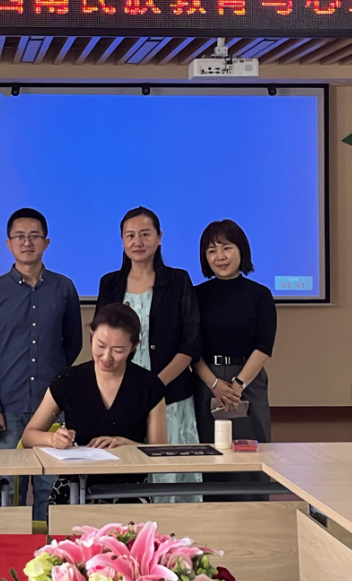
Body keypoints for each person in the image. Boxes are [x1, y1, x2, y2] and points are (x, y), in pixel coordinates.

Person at [0, 208, 82, 521]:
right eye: (19, 236)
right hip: (7, 408)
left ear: (46, 242)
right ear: (8, 243)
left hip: (53, 407)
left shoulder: (64, 288)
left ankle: (51, 550)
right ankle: (10, 548)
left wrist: (55, 381)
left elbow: (73, 344)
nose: (27, 242)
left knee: (52, 487)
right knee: (10, 489)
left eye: (34, 236)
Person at [96, 207, 202, 501]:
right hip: (122, 396)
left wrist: (154, 387)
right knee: (127, 476)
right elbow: (101, 340)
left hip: (171, 395)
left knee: (169, 474)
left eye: (145, 234)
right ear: (122, 240)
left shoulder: (178, 281)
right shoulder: (110, 283)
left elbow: (190, 344)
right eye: (130, 235)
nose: (137, 242)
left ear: (159, 237)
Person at [22, 303, 167, 499]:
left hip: (131, 490)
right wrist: (53, 439)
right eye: (100, 345)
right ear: (91, 335)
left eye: (118, 350)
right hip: (75, 490)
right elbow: (29, 436)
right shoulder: (68, 380)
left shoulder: (149, 385)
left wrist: (125, 443)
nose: (107, 357)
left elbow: (159, 451)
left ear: (135, 345)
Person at [193, 219, 277, 501]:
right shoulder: (196, 295)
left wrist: (238, 385)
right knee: (211, 452)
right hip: (207, 381)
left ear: (241, 250)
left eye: (227, 247)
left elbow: (264, 347)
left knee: (251, 452)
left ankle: (255, 510)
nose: (220, 256)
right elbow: (191, 348)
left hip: (248, 381)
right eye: (212, 250)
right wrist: (215, 384)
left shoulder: (260, 295)